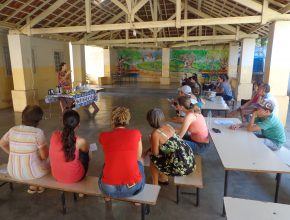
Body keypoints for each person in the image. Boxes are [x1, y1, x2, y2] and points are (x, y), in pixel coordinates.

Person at [0, 105, 49, 194]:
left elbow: (2, 143)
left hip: (12, 171)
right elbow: (44, 156)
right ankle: (38, 185)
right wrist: (38, 158)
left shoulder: (12, 130)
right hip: (32, 173)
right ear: (38, 119)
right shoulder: (38, 133)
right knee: (50, 160)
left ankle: (33, 186)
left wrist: (13, 153)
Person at [98, 107, 145, 199]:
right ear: (127, 119)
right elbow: (138, 157)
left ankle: (108, 196)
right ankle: (137, 199)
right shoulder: (136, 133)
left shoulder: (103, 136)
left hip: (108, 188)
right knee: (140, 162)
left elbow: (108, 154)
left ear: (112, 120)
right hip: (132, 188)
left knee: (106, 164)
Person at [145, 108, 195, 185]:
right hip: (189, 161)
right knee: (165, 155)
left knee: (153, 159)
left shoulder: (155, 134)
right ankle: (163, 178)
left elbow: (155, 153)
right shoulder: (168, 126)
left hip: (181, 167)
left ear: (150, 121)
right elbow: (168, 146)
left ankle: (155, 184)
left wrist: (151, 141)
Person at [50, 110, 90, 183]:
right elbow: (86, 153)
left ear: (62, 122)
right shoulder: (80, 141)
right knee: (86, 152)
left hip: (56, 175)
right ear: (78, 125)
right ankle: (85, 178)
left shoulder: (54, 135)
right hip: (75, 177)